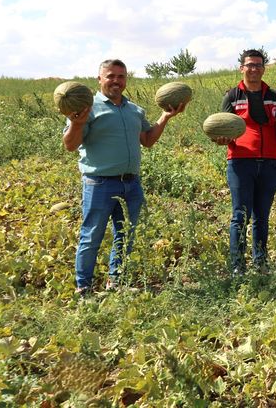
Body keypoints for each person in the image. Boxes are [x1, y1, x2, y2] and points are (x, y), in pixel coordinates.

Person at [63, 59, 185, 295]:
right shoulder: (87, 108)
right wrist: (76, 124)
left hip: (131, 183)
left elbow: (148, 141)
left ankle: (116, 282)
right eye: (110, 76)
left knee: (125, 234)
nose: (116, 81)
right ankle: (83, 287)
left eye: (121, 76)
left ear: (126, 79)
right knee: (91, 235)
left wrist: (165, 118)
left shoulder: (134, 110)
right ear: (99, 79)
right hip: (99, 183)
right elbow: (70, 145)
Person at [217, 49, 276, 275]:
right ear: (242, 68)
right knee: (240, 216)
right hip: (240, 162)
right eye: (250, 65)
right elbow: (222, 131)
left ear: (264, 68)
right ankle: (237, 266)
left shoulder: (273, 95)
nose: (254, 69)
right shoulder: (232, 96)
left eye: (258, 65)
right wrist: (221, 139)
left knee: (261, 217)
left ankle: (260, 262)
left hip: (268, 162)